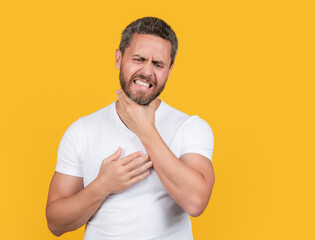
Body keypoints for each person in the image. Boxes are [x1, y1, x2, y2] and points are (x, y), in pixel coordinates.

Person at [46, 16, 215, 240]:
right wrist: (102, 186)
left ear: (170, 69)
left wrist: (145, 130)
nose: (147, 71)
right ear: (119, 58)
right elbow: (56, 223)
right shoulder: (82, 130)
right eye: (139, 59)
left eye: (158, 64)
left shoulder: (191, 128)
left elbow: (196, 202)